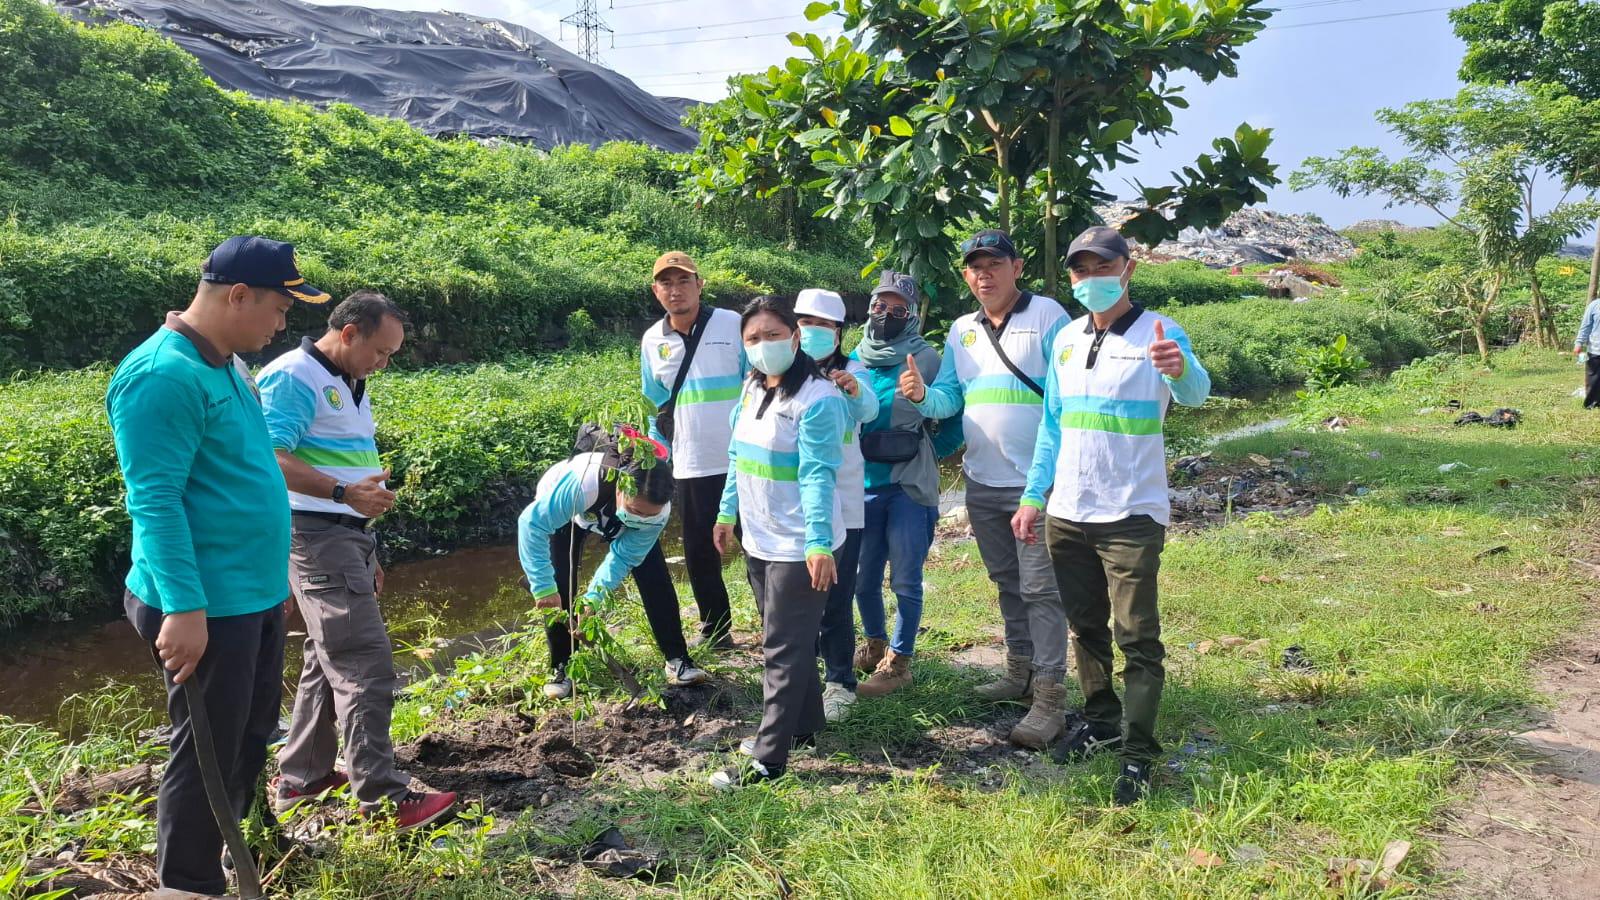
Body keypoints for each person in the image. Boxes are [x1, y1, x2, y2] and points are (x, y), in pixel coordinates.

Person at [106, 236, 326, 896]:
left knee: (251, 731)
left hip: (248, 594)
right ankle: (188, 884)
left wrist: (273, 580)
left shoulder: (225, 364)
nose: (284, 325)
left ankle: (242, 847)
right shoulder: (161, 377)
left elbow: (242, 475)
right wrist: (183, 608)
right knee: (203, 754)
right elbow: (155, 501)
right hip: (202, 601)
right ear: (237, 296)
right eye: (280, 310)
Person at [1015, 226, 1211, 805]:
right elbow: (1052, 424)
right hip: (1068, 511)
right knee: (1086, 626)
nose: (1091, 279)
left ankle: (1139, 752)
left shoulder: (1161, 331)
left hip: (1130, 511)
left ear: (1128, 270)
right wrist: (1034, 496)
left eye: (1103, 267)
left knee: (1138, 636)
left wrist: (1178, 370)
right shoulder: (1068, 339)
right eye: (1080, 269)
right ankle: (1100, 723)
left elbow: (1198, 392)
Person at [258, 291, 457, 831]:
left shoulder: (347, 378)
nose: (383, 364)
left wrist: (363, 542)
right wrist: (345, 493)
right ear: (349, 333)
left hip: (343, 536)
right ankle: (385, 799)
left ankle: (302, 775)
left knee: (326, 659)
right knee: (363, 663)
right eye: (381, 352)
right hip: (319, 534)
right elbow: (270, 458)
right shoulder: (294, 376)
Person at [900, 230, 1072, 748]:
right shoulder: (961, 330)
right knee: (1006, 580)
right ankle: (1018, 671)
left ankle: (1049, 697)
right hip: (982, 478)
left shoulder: (1048, 316)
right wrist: (922, 395)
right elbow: (951, 397)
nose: (984, 275)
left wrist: (1040, 489)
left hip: (1035, 483)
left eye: (994, 264)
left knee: (1041, 588)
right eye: (975, 267)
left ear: (1016, 267)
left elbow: (1067, 400)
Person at [708, 297, 848, 790]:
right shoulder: (751, 388)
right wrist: (727, 513)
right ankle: (805, 724)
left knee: (780, 648)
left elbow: (818, 474)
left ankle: (769, 758)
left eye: (772, 335)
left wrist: (817, 543)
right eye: (752, 339)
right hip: (760, 537)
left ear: (794, 337)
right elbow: (738, 455)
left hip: (799, 544)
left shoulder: (819, 399)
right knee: (786, 637)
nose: (762, 346)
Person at [517, 428, 709, 699]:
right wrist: (543, 586)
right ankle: (562, 667)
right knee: (559, 585)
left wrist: (592, 602)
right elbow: (530, 524)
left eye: (648, 515)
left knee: (655, 578)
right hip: (571, 515)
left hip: (609, 511)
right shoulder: (582, 486)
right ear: (622, 486)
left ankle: (677, 660)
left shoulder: (657, 512)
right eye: (635, 511)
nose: (641, 518)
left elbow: (623, 557)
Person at [848, 272, 962, 698]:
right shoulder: (852, 359)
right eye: (881, 305)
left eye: (899, 309)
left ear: (912, 314)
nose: (887, 314)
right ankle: (875, 643)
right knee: (862, 578)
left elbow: (953, 415)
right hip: (861, 485)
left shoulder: (926, 358)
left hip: (908, 487)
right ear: (870, 306)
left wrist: (928, 449)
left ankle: (899, 662)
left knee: (905, 579)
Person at [640, 252, 746, 648]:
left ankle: (776, 624)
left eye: (683, 281)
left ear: (700, 284)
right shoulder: (653, 340)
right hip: (691, 463)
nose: (675, 290)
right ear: (656, 291)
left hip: (744, 458)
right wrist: (660, 457)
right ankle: (716, 629)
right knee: (700, 552)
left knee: (757, 544)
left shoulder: (732, 324)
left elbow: (756, 383)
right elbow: (655, 404)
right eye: (666, 283)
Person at [794, 288, 879, 721]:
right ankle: (801, 674)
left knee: (836, 595)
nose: (811, 332)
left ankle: (840, 680)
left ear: (839, 332)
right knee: (798, 596)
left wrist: (853, 391)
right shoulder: (784, 372)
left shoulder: (853, 369)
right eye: (805, 323)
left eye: (822, 325)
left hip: (844, 499)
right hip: (798, 502)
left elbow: (869, 409)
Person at [1574, 294, 1600, 408]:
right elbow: (1586, 326)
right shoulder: (1594, 305)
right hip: (1596, 348)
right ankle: (1592, 403)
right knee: (1593, 378)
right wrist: (1579, 343)